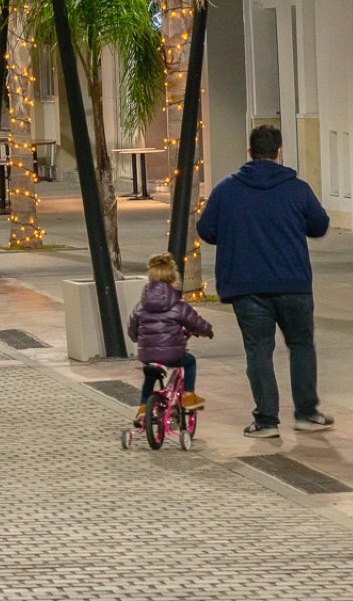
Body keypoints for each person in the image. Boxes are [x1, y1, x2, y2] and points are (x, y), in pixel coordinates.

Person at [197, 123, 332, 439]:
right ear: (279, 152)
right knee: (301, 347)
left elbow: (206, 230)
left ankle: (267, 421)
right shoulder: (297, 189)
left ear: (249, 153)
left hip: (247, 288)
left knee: (258, 352)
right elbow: (320, 225)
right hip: (293, 284)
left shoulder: (226, 190)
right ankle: (306, 414)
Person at [127, 251, 214, 420]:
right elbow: (195, 323)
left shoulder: (140, 305)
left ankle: (143, 409)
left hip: (147, 354)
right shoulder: (178, 305)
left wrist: (138, 338)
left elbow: (132, 327)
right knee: (190, 362)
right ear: (172, 282)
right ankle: (188, 395)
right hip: (172, 354)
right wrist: (207, 331)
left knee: (150, 377)